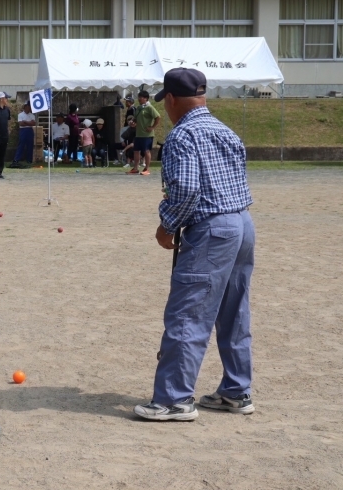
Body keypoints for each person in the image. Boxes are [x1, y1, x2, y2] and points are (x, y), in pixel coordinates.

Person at [133, 68, 256, 421]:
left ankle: (174, 399)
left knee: (188, 312)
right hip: (242, 223)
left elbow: (186, 191)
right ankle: (236, 391)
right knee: (234, 311)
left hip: (212, 229)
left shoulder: (182, 136)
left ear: (171, 100)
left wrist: (166, 225)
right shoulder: (225, 130)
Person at [127, 90, 161, 176]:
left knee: (146, 151)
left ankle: (147, 168)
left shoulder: (150, 107)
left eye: (141, 97)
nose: (139, 99)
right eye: (138, 97)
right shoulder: (139, 108)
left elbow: (158, 117)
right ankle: (135, 168)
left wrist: (152, 127)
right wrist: (133, 122)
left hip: (147, 134)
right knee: (136, 151)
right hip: (138, 133)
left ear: (146, 98)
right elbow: (135, 118)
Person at [11, 103, 36, 169]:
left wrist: (25, 121)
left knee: (30, 145)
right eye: (28, 107)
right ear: (25, 107)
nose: (29, 108)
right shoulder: (20, 115)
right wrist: (28, 122)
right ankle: (16, 159)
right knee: (21, 144)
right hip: (23, 130)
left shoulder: (32, 115)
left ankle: (29, 160)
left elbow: (33, 123)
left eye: (30, 107)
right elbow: (21, 124)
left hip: (30, 130)